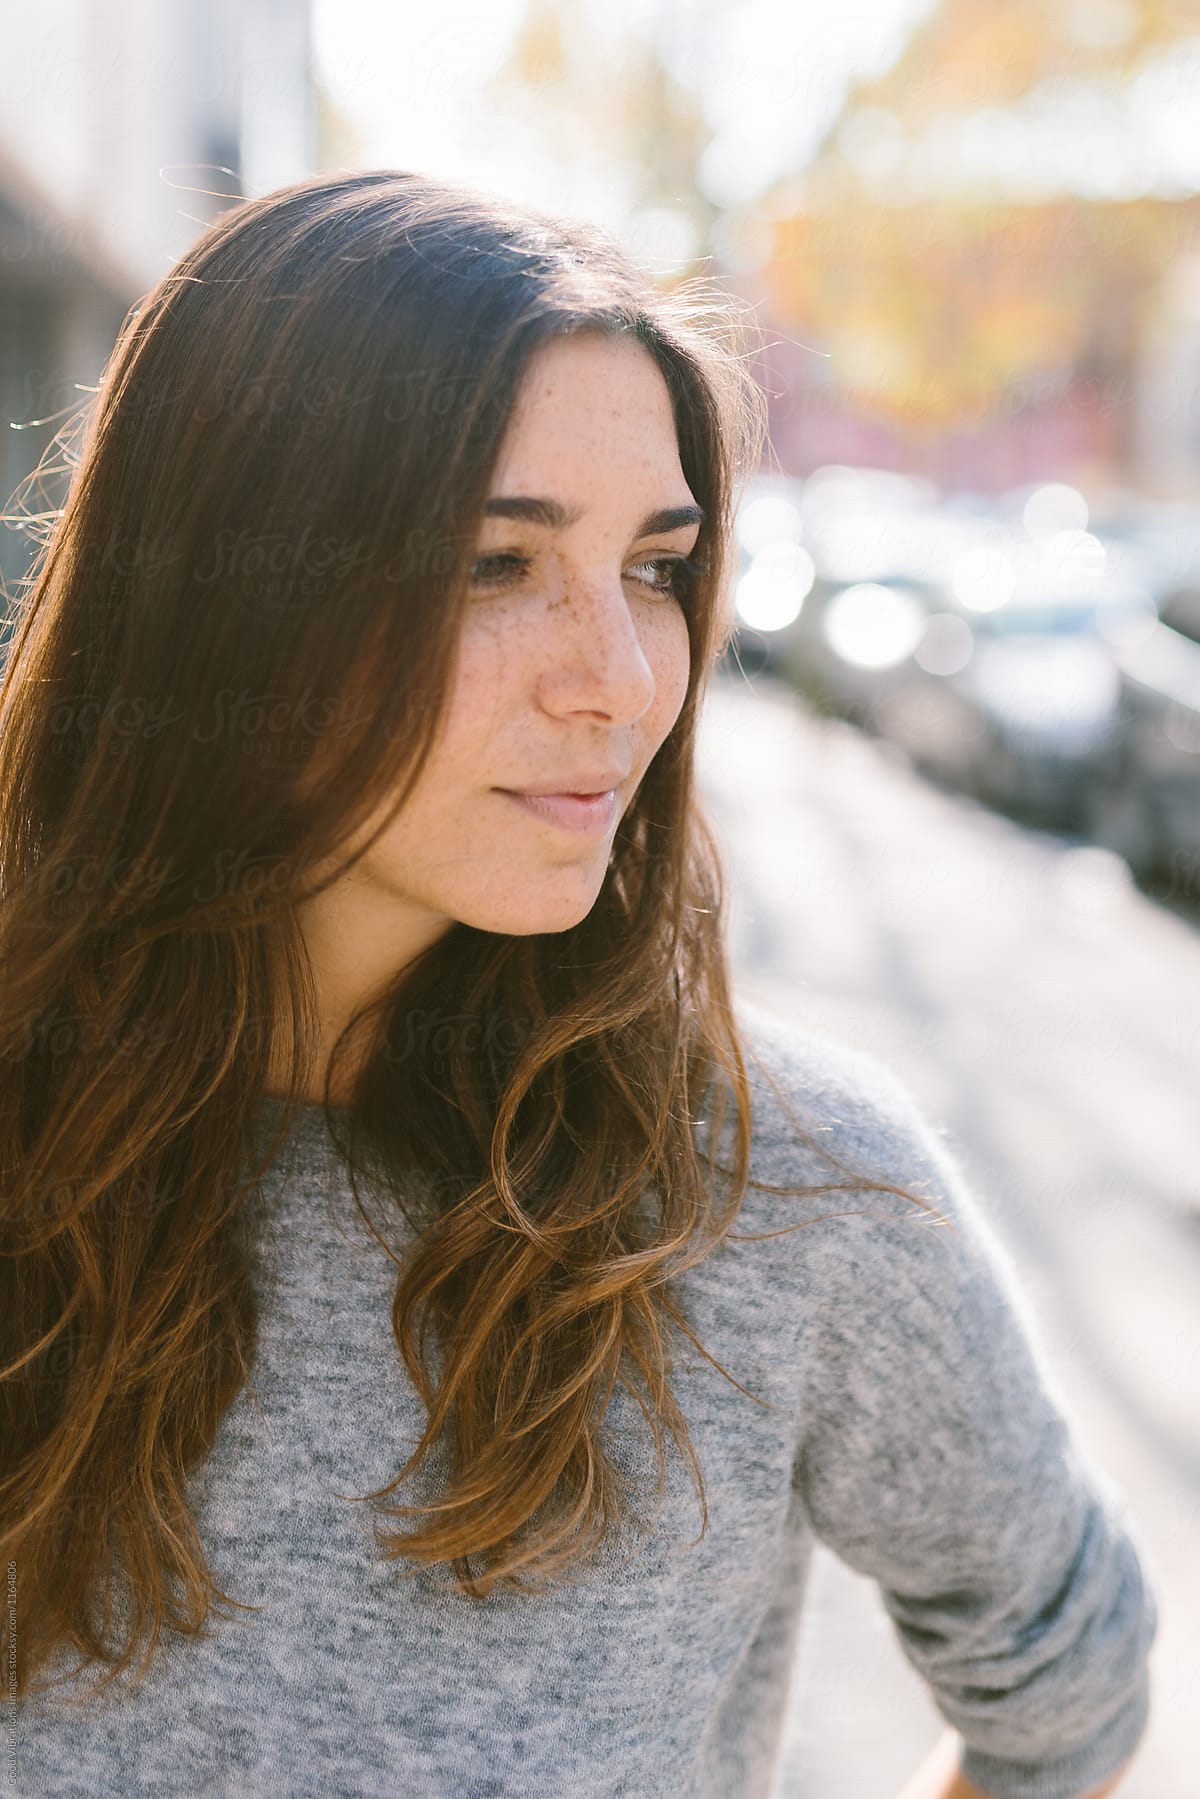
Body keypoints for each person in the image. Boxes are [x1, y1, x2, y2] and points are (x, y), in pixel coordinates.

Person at [0, 169, 1156, 1799]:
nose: (621, 681)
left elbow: (1067, 1698)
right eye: (493, 562)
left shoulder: (791, 1203)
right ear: (217, 599)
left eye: (654, 569)